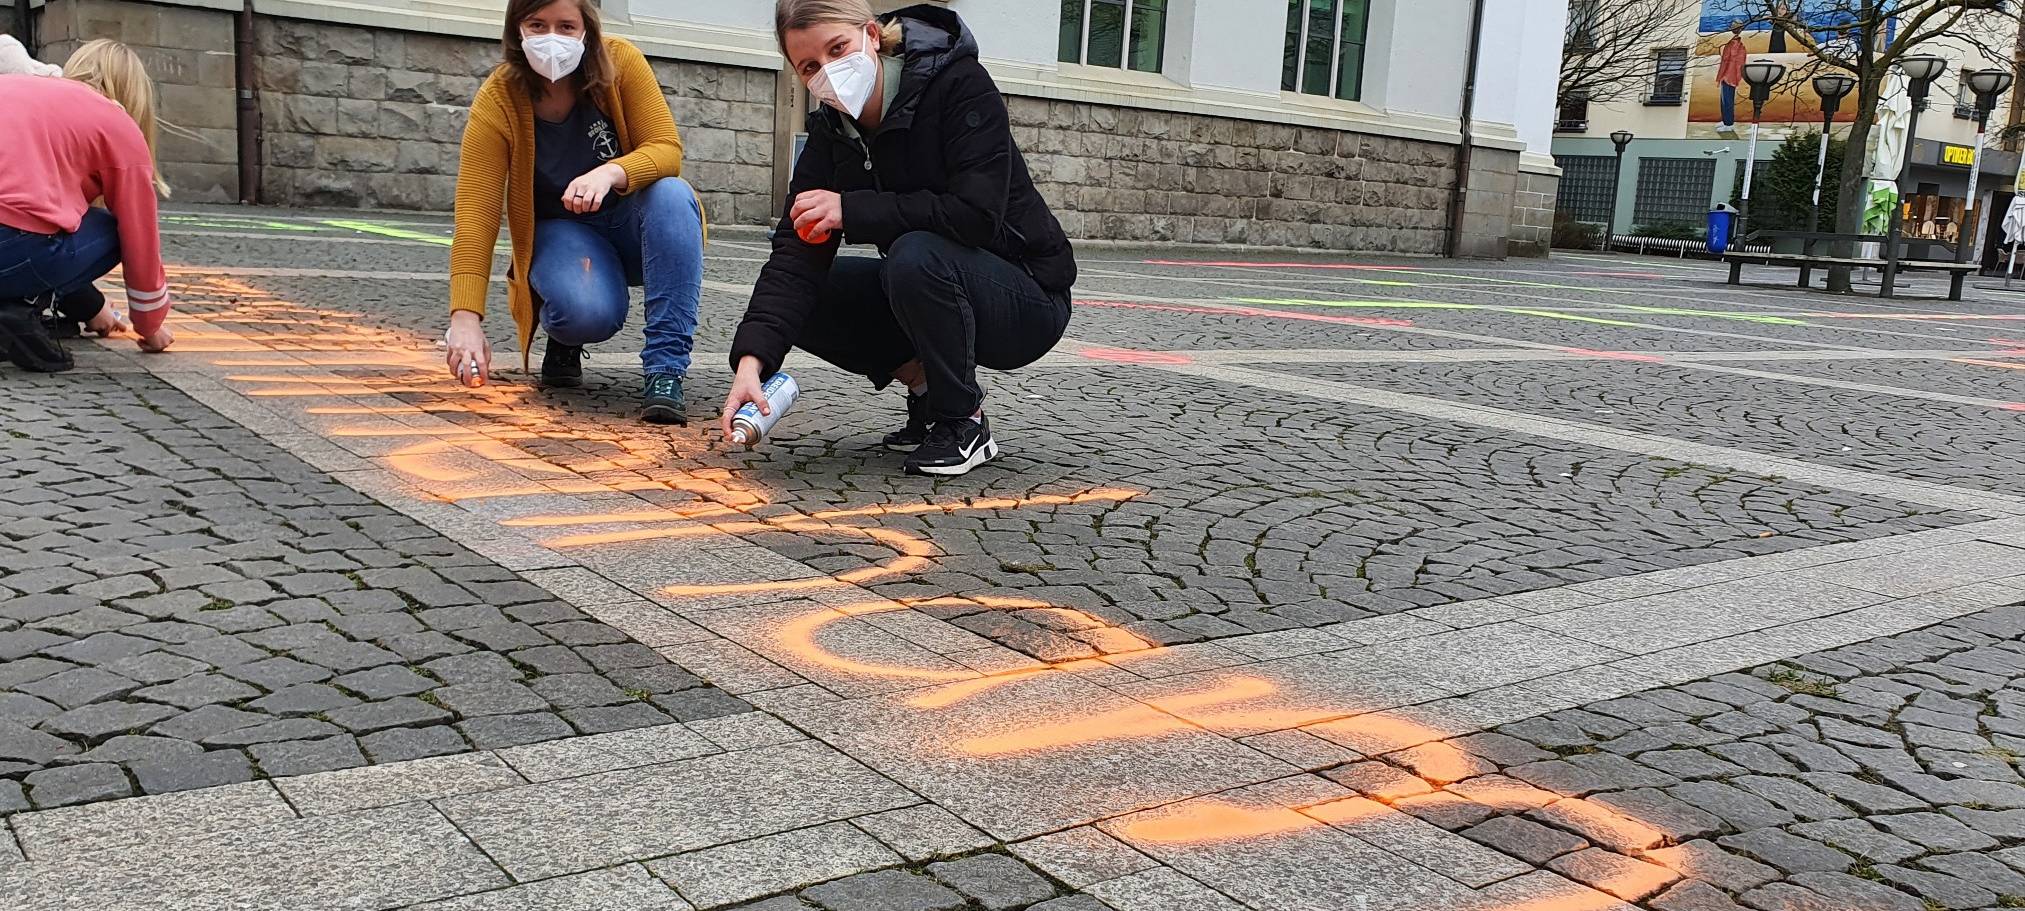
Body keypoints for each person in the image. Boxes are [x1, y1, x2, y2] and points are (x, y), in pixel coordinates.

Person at [724, 1, 1076, 476]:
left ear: (872, 34)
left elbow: (976, 215)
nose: (828, 71)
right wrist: (751, 362)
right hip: (928, 281)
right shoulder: (832, 130)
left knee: (915, 254)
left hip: (1026, 295)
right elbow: (795, 253)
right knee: (812, 292)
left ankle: (964, 422)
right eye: (810, 66)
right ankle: (928, 392)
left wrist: (851, 209)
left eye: (838, 48)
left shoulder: (960, 86)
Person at [443, 0, 705, 424]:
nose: (552, 38)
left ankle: (665, 369)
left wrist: (612, 172)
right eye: (537, 24)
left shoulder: (622, 62)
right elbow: (477, 211)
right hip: (563, 232)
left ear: (587, 30)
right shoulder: (499, 96)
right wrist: (465, 317)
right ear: (516, 30)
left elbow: (666, 150)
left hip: (632, 223)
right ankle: (563, 335)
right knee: (587, 313)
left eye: (566, 26)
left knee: (673, 195)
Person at [0, 39, 175, 372]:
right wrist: (150, 324)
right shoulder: (116, 124)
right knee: (111, 229)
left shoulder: (16, 86)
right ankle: (15, 309)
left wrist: (91, 308)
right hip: (9, 246)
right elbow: (140, 237)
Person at [1718, 21, 1746, 133]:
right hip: (1727, 75)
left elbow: (1733, 62)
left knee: (1727, 99)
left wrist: (1728, 75)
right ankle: (1725, 120)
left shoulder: (1736, 45)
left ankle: (1728, 124)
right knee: (1724, 99)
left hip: (1729, 76)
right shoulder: (1734, 43)